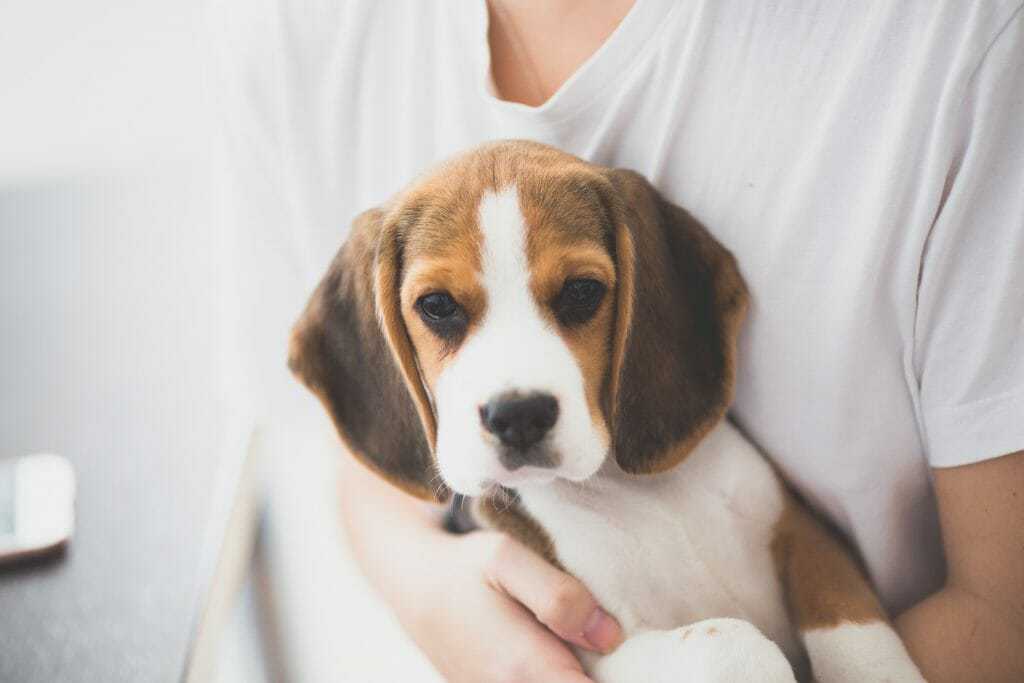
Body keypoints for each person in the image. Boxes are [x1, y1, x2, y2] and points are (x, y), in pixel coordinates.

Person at [215, 1, 1024, 680]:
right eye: (442, 311)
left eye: (577, 295)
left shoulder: (961, 41)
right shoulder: (300, 37)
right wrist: (432, 594)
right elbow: (366, 472)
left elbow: (1005, 611)